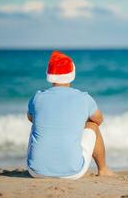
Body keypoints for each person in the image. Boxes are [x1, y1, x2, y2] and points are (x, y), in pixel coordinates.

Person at [26, 50, 113, 179]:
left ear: (49, 74)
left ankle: (41, 162)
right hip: (73, 172)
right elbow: (98, 120)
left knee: (36, 124)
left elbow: (30, 118)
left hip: (35, 171)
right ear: (72, 74)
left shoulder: (37, 97)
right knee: (92, 126)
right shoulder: (84, 98)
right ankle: (103, 169)